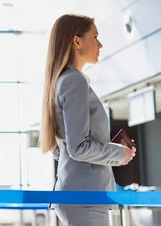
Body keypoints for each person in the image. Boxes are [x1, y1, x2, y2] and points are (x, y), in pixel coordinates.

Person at [39, 14, 137, 226]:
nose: (100, 44)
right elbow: (78, 148)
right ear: (77, 41)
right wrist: (120, 153)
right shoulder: (74, 82)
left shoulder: (64, 81)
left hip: (78, 194)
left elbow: (61, 149)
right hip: (84, 197)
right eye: (95, 37)